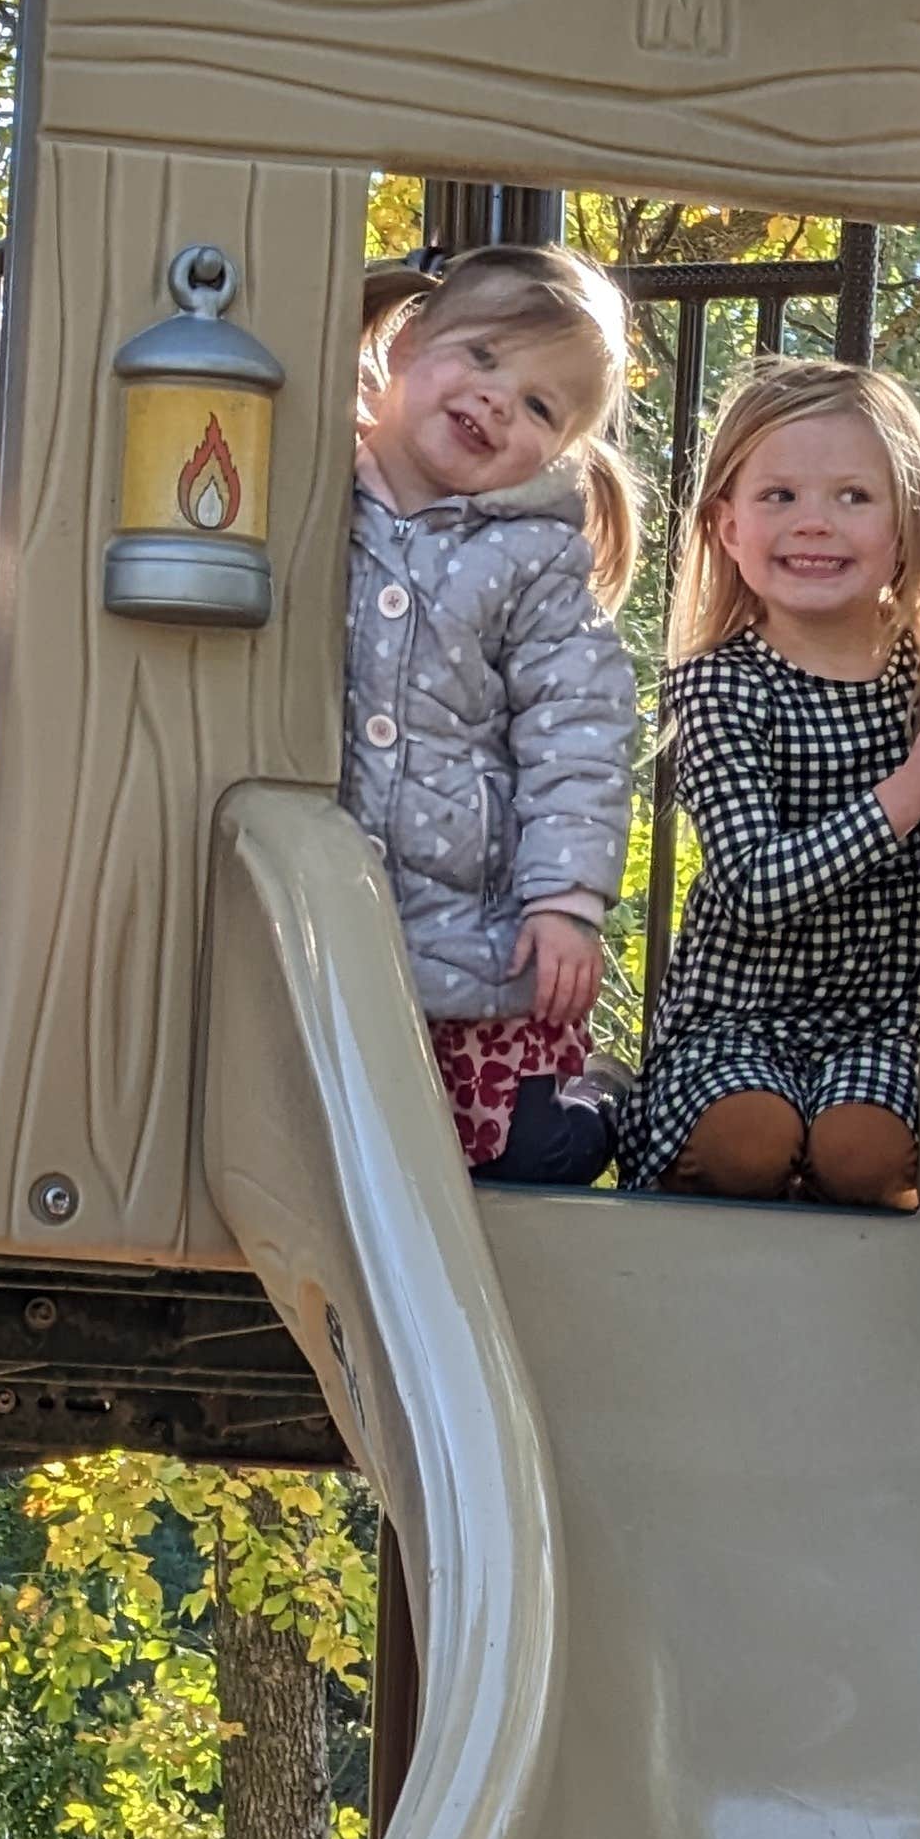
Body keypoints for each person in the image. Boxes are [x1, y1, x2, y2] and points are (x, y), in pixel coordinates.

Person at [622, 358, 920, 1208]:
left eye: (853, 497)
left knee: (863, 1153)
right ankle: (688, 1179)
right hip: (738, 1020)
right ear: (725, 526)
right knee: (747, 1141)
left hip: (878, 1027)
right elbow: (753, 884)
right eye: (779, 497)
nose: (815, 524)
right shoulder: (720, 685)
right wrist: (909, 793)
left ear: (906, 528)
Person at [347, 246, 642, 1186]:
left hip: (475, 935)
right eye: (481, 357)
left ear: (559, 452)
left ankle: (596, 1099)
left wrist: (567, 900)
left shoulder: (536, 563)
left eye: (541, 406)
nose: (499, 401)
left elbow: (580, 736)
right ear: (405, 346)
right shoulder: (315, 499)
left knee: (525, 1156)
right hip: (331, 919)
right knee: (349, 1137)